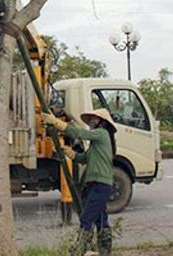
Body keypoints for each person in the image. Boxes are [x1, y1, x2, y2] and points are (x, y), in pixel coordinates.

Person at [42, 108, 117, 256]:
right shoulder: (97, 144)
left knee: (87, 217)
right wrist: (70, 152)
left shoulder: (102, 134)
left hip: (100, 184)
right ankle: (104, 251)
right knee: (100, 218)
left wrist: (57, 123)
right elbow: (83, 158)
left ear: (102, 122)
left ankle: (80, 249)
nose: (91, 123)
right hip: (97, 184)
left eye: (94, 120)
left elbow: (81, 134)